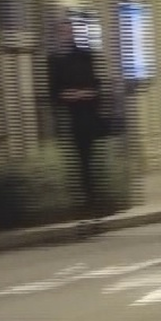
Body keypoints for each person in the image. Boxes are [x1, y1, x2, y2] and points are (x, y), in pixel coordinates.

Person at [47, 20, 103, 207]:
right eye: (62, 32)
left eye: (68, 32)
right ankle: (85, 195)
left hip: (87, 115)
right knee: (79, 158)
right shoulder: (55, 60)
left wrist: (81, 93)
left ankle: (91, 195)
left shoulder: (84, 57)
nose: (66, 35)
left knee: (89, 156)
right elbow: (55, 93)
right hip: (70, 117)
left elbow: (95, 86)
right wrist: (71, 95)